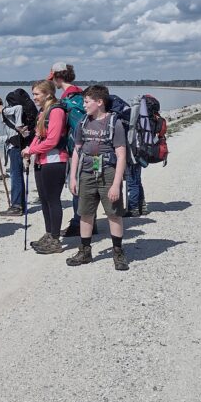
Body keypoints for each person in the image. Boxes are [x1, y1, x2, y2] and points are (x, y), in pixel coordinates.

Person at [67, 84, 129, 271]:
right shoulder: (83, 122)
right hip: (87, 172)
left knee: (113, 213)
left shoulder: (114, 123)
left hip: (108, 172)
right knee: (85, 213)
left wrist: (116, 184)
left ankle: (118, 252)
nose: (84, 105)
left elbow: (121, 155)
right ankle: (85, 251)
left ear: (99, 102)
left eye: (87, 101)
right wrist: (73, 178)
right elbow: (77, 151)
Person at [22, 81, 69, 254]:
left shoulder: (56, 111)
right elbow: (38, 136)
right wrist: (29, 151)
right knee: (44, 199)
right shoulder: (43, 111)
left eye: (37, 94)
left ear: (48, 94)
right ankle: (49, 233)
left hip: (55, 160)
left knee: (53, 200)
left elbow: (52, 140)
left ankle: (55, 239)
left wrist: (31, 149)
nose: (34, 97)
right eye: (33, 94)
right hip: (42, 161)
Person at [49, 62, 85, 237]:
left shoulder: (69, 99)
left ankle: (79, 223)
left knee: (76, 186)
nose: (53, 83)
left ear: (58, 76)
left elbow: (76, 127)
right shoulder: (81, 95)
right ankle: (87, 222)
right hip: (89, 149)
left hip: (77, 150)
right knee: (83, 186)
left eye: (53, 78)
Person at [0, 93, 31, 216]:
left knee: (15, 175)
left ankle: (16, 206)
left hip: (15, 147)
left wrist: (18, 124)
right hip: (14, 145)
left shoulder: (5, 110)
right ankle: (21, 204)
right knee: (17, 175)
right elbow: (11, 135)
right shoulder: (5, 114)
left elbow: (19, 108)